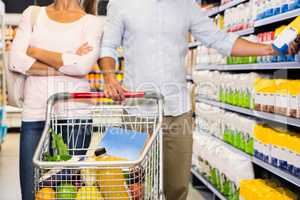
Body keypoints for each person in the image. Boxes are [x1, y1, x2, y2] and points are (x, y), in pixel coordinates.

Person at [99, 0, 300, 199]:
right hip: (136, 110)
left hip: (177, 110)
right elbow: (108, 46)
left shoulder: (186, 5)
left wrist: (269, 49)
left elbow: (219, 39)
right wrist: (109, 77)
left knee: (176, 186)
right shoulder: (121, 3)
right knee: (130, 185)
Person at [9, 0, 103, 199]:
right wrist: (67, 59)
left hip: (75, 115)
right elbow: (16, 60)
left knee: (66, 192)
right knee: (30, 191)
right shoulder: (33, 14)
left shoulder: (92, 22)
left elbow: (81, 67)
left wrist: (34, 52)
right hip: (34, 114)